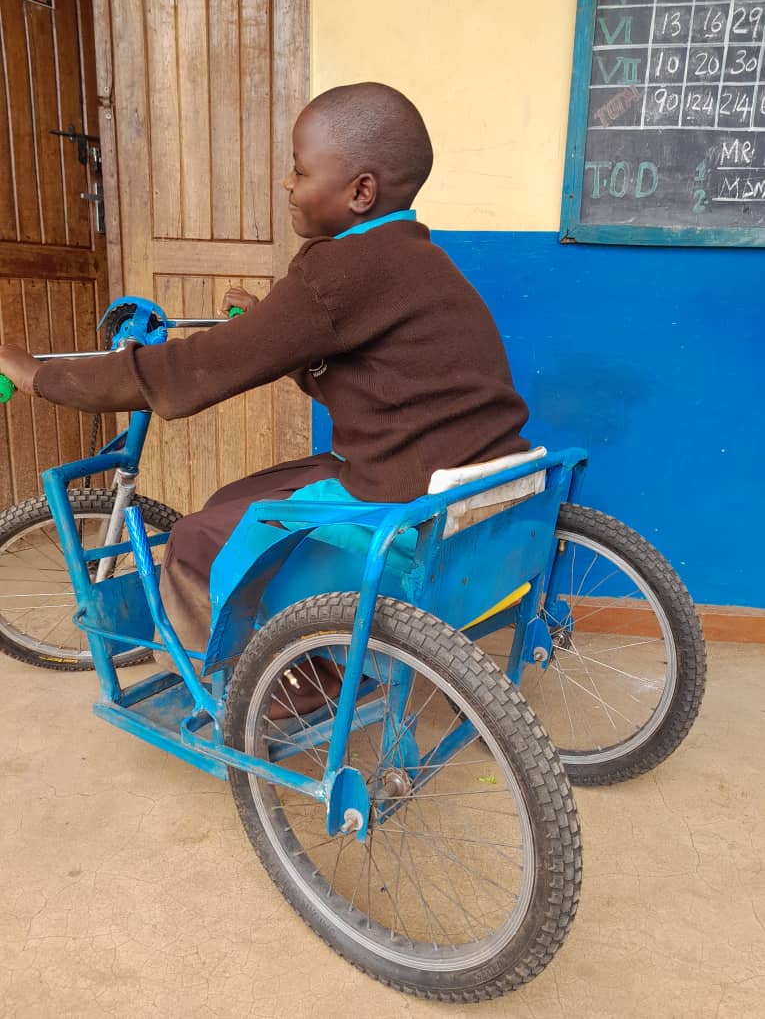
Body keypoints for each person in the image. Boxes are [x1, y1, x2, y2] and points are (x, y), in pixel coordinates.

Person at [0, 83, 530, 712]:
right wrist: (265, 323)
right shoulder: (418, 258)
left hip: (402, 496)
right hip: (458, 475)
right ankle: (310, 650)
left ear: (360, 192)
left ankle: (262, 695)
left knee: (198, 538)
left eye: (301, 171)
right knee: (235, 499)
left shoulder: (339, 272)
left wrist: (39, 375)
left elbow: (187, 373)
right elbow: (365, 370)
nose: (287, 183)